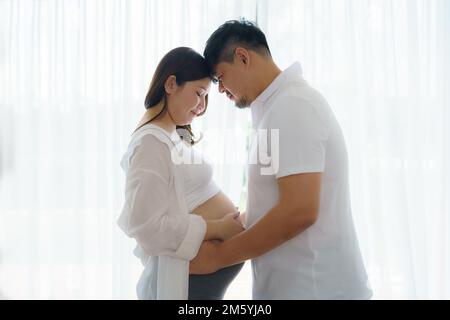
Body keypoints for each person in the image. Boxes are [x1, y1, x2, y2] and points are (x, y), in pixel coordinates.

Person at [190, 20, 373, 300]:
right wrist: (224, 226)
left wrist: (217, 257)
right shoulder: (273, 110)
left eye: (220, 77)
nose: (221, 90)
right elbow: (273, 202)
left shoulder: (293, 106)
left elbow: (299, 211)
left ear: (242, 57)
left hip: (316, 289)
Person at [117, 47, 245, 300]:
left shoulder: (172, 135)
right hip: (188, 282)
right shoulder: (150, 143)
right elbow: (147, 227)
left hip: (200, 282)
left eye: (206, 97)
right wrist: (217, 228)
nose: (202, 106)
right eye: (199, 94)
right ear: (171, 84)